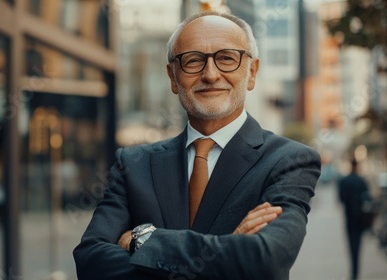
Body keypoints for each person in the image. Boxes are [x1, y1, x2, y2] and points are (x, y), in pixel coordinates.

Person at [73, 11, 321, 280]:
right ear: (172, 77)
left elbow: (266, 258)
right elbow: (90, 262)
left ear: (252, 72)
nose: (211, 74)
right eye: (193, 61)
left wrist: (144, 240)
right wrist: (228, 251)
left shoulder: (290, 161)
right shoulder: (132, 164)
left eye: (226, 58)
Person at [338, 159, 370, 280]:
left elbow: (341, 199)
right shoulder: (362, 181)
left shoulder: (343, 181)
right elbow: (368, 198)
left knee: (351, 245)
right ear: (358, 167)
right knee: (358, 246)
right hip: (361, 219)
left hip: (349, 218)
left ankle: (353, 272)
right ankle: (356, 272)